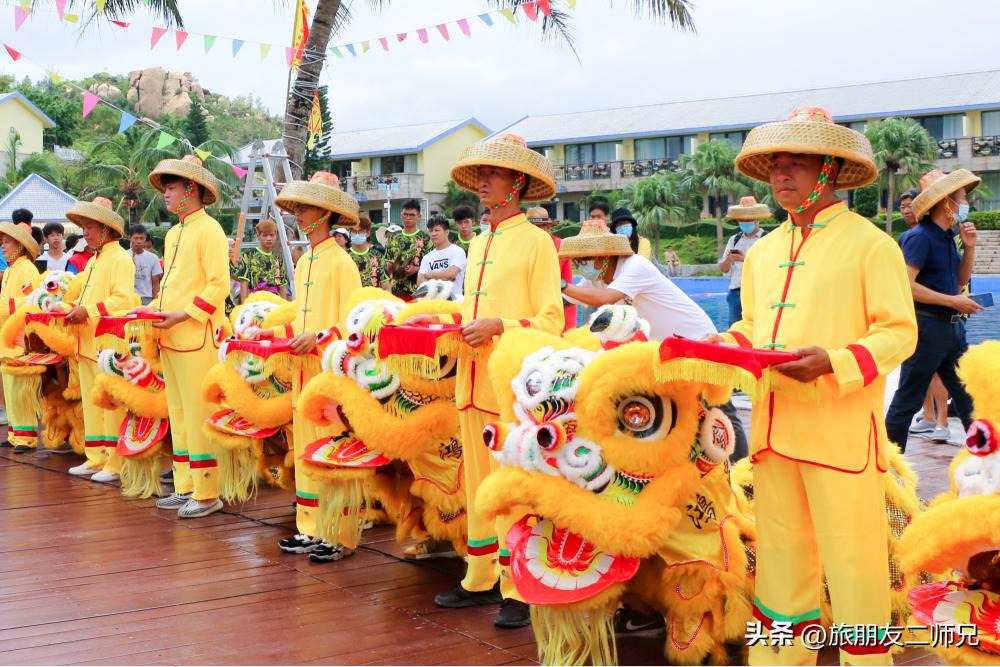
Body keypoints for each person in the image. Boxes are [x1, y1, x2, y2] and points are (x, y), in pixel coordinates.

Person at [713, 106, 916, 665]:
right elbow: (753, 325)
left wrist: (835, 361)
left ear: (829, 168)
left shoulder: (872, 244)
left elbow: (899, 333)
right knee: (780, 566)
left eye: (796, 164)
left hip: (841, 436)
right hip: (775, 435)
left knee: (856, 569)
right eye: (776, 165)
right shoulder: (763, 250)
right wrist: (725, 345)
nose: (782, 176)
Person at [427, 133, 564, 629]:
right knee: (477, 485)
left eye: (495, 173)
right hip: (470, 379)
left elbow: (552, 321)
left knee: (511, 486)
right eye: (480, 173)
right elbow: (472, 312)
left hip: (509, 386)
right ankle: (479, 577)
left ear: (519, 183)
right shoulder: (478, 240)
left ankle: (518, 587)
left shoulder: (537, 242)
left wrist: (501, 326)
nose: (483, 181)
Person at [559, 215, 748, 462]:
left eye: (582, 260)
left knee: (717, 406)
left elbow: (604, 299)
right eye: (576, 261)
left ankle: (744, 471)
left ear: (603, 256)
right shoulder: (597, 275)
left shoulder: (634, 266)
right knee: (683, 412)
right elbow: (571, 297)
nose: (578, 265)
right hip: (665, 350)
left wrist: (562, 286)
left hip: (697, 339)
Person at [256, 172, 362, 561]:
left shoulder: (342, 262)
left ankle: (341, 533)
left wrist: (318, 337)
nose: (298, 214)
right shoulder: (304, 263)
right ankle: (311, 525)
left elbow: (352, 324)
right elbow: (303, 319)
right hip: (304, 371)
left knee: (334, 447)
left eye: (305, 207)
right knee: (305, 447)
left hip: (330, 375)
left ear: (327, 212)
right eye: (297, 207)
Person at [144, 155, 231, 519]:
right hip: (170, 334)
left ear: (191, 189)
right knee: (178, 412)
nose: (166, 194)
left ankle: (208, 491)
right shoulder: (175, 232)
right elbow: (170, 284)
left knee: (198, 412)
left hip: (196, 334)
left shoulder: (208, 229)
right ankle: (185, 485)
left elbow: (219, 285)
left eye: (173, 187)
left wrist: (184, 313)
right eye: (166, 187)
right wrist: (153, 309)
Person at [885, 169, 982, 451]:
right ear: (945, 202)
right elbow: (905, 285)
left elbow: (960, 281)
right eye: (962, 198)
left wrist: (970, 248)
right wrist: (953, 301)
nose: (965, 204)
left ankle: (986, 462)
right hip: (927, 328)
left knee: (968, 397)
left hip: (951, 329)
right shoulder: (920, 237)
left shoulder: (946, 237)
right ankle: (891, 470)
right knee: (907, 401)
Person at [63, 197, 135, 482]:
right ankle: (96, 457)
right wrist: (71, 309)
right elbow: (88, 298)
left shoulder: (119, 257)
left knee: (111, 404)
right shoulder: (94, 259)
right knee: (93, 403)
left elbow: (122, 299)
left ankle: (115, 463)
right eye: (83, 227)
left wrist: (87, 311)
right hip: (87, 342)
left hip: (106, 344)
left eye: (90, 227)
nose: (85, 233)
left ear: (106, 228)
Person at [897, 188, 951, 441]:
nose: (907, 210)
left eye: (911, 205)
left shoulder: (941, 236)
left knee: (935, 372)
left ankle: (940, 420)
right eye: (903, 206)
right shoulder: (914, 237)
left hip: (938, 317)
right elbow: (904, 282)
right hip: (921, 317)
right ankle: (929, 416)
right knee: (923, 374)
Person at [0, 221, 41, 452]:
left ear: (20, 246)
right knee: (11, 390)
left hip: (19, 340)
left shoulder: (27, 269)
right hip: (7, 340)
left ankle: (26, 437)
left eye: (7, 242)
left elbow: (32, 301)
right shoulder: (12, 269)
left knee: (21, 390)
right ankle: (16, 434)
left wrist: (2, 305)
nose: (3, 247)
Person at [719, 196, 769, 326]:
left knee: (760, 326)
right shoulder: (734, 240)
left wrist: (744, 259)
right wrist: (729, 259)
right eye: (741, 220)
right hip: (736, 291)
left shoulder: (767, 239)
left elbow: (771, 266)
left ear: (757, 219)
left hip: (758, 291)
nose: (744, 222)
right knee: (735, 327)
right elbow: (723, 269)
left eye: (748, 219)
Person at [527, 206, 577, 330]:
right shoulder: (524, 246)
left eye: (541, 227)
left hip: (556, 307)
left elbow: (561, 282)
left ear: (549, 228)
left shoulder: (559, 246)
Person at [384, 200, 430, 300]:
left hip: (418, 291)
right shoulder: (393, 237)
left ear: (419, 216)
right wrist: (392, 265)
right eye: (405, 214)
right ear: (401, 215)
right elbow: (385, 263)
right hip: (395, 291)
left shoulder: (426, 238)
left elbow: (432, 266)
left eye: (412, 215)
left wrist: (416, 269)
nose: (408, 217)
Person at [237, 220, 289, 301]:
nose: (269, 239)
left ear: (276, 236)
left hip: (274, 301)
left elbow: (281, 287)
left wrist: (284, 308)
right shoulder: (249, 255)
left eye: (272, 235)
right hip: (255, 301)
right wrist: (244, 306)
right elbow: (244, 285)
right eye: (265, 235)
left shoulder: (277, 259)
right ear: (258, 236)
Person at [417, 215, 466, 297]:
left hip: (454, 303)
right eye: (431, 231)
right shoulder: (427, 257)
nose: (433, 233)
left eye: (437, 230)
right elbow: (420, 282)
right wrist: (444, 277)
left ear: (447, 232)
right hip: (433, 304)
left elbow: (450, 274)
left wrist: (428, 275)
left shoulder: (457, 251)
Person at [128, 225, 163, 306]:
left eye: (141, 238)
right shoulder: (124, 255)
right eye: (136, 238)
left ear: (145, 238)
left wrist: (156, 301)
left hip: (146, 298)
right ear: (129, 237)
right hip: (129, 297)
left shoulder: (153, 258)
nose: (139, 241)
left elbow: (155, 282)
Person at [349, 216, 387, 288]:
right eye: (354, 231)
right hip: (351, 298)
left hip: (373, 298)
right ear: (350, 233)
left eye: (360, 231)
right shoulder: (344, 256)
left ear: (368, 233)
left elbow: (385, 283)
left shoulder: (377, 255)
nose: (357, 234)